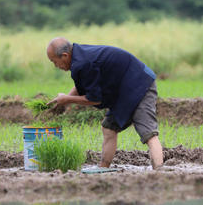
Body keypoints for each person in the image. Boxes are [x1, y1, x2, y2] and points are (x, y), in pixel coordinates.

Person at [46, 37, 164, 169]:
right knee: (109, 128)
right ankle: (103, 168)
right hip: (124, 91)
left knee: (148, 133)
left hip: (140, 83)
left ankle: (159, 173)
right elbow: (82, 88)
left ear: (65, 55)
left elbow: (94, 99)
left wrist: (67, 99)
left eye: (54, 62)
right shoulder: (79, 57)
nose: (56, 66)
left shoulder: (83, 63)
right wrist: (64, 101)